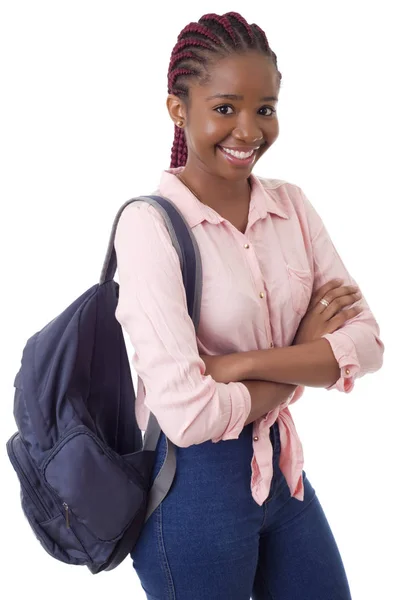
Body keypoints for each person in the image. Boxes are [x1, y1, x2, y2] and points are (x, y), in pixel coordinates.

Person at [114, 11, 384, 600]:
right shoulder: (150, 227)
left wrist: (238, 366)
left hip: (281, 471)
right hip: (190, 492)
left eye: (264, 109)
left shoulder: (292, 206)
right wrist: (302, 362)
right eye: (225, 108)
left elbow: (367, 343)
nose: (248, 131)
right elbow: (187, 415)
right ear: (178, 108)